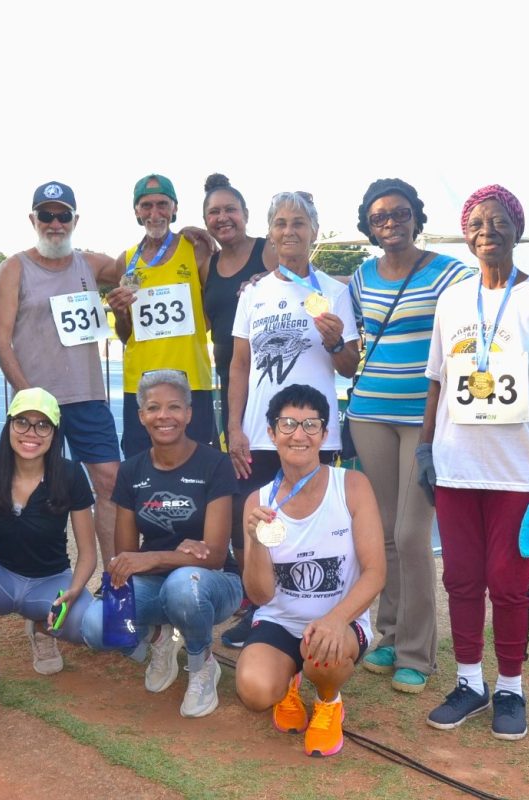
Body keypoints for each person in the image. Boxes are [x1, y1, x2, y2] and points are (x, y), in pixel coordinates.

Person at [417, 184, 529, 741]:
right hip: (457, 466)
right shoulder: (452, 300)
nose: (489, 229)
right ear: (466, 235)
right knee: (460, 579)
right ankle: (469, 683)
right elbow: (436, 381)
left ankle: (511, 687)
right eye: (478, 222)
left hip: (520, 472)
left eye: (500, 219)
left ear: (517, 228)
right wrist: (423, 447)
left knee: (509, 583)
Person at [348, 179, 475, 693]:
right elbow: (352, 337)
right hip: (369, 413)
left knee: (412, 533)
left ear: (416, 217)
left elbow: (497, 286)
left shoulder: (448, 272)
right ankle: (388, 634)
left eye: (400, 213)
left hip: (426, 419)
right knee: (380, 534)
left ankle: (418, 652)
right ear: (369, 225)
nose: (391, 223)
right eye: (379, 217)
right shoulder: (360, 277)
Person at [224, 191, 359, 648]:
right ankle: (261, 609)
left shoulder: (334, 294)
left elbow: (349, 367)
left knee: (316, 521)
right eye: (280, 223)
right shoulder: (254, 293)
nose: (289, 231)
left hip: (315, 433)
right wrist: (234, 426)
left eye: (298, 223)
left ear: (314, 232)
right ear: (271, 232)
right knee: (260, 524)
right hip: (263, 434)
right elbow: (239, 364)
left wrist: (338, 342)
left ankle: (319, 609)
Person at [234, 384, 385, 758]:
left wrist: (337, 620)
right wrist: (256, 542)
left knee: (322, 651)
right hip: (281, 621)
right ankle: (289, 680)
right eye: (287, 424)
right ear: (271, 433)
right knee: (254, 692)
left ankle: (328, 701)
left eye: (310, 425)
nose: (298, 434)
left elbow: (376, 572)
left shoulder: (351, 486)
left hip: (339, 624)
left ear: (324, 433)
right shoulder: (257, 501)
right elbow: (260, 596)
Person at [81, 369, 242, 718]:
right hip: (159, 581)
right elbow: (126, 557)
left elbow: (213, 556)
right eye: (153, 408)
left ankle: (201, 663)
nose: (163, 416)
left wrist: (155, 557)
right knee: (96, 627)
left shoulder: (215, 465)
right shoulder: (131, 470)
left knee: (184, 586)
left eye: (173, 407)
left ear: (188, 413)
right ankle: (158, 640)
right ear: (141, 417)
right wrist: (173, 555)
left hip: (212, 584)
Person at [0, 181, 121, 566]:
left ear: (75, 220)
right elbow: (1, 340)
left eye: (63, 215)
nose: (55, 223)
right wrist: (29, 396)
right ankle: (43, 577)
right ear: (33, 219)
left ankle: (116, 579)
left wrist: (188, 240)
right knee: (39, 491)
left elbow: (141, 265)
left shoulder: (91, 264)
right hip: (37, 402)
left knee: (110, 482)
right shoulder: (14, 267)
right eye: (46, 215)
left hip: (88, 397)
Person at [0, 388, 97, 708]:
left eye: (43, 425)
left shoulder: (70, 474)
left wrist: (74, 589)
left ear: (55, 433)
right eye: (22, 422)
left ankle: (42, 628)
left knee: (93, 627)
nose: (31, 433)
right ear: (9, 425)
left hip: (49, 583)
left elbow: (87, 553)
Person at [105, 175, 217, 457]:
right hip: (142, 384)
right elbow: (125, 335)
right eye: (146, 205)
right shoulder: (127, 260)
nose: (154, 213)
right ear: (136, 211)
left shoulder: (197, 249)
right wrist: (120, 314)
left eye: (162, 204)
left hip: (190, 379)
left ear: (174, 208)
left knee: (199, 468)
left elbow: (215, 306)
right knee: (141, 468)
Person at [198, 173, 275, 439]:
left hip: (273, 377)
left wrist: (270, 277)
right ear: (205, 221)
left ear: (245, 214)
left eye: (230, 209)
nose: (222, 217)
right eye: (214, 212)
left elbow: (305, 281)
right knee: (242, 468)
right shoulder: (208, 266)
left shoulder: (268, 251)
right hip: (232, 382)